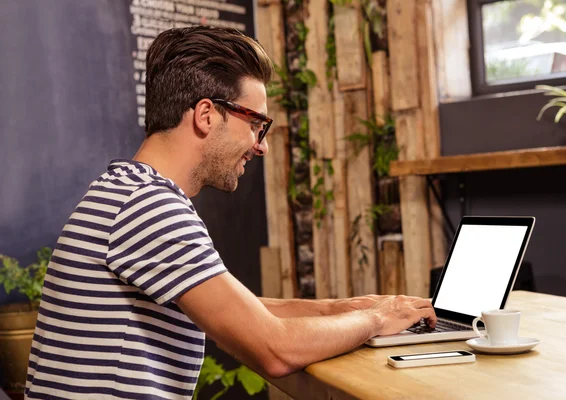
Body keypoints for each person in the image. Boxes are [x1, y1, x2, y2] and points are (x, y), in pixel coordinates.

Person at [25, 25, 437, 400]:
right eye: (256, 123)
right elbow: (273, 348)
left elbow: (240, 310)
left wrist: (345, 308)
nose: (262, 145)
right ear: (206, 115)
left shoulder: (127, 190)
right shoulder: (149, 205)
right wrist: (375, 320)